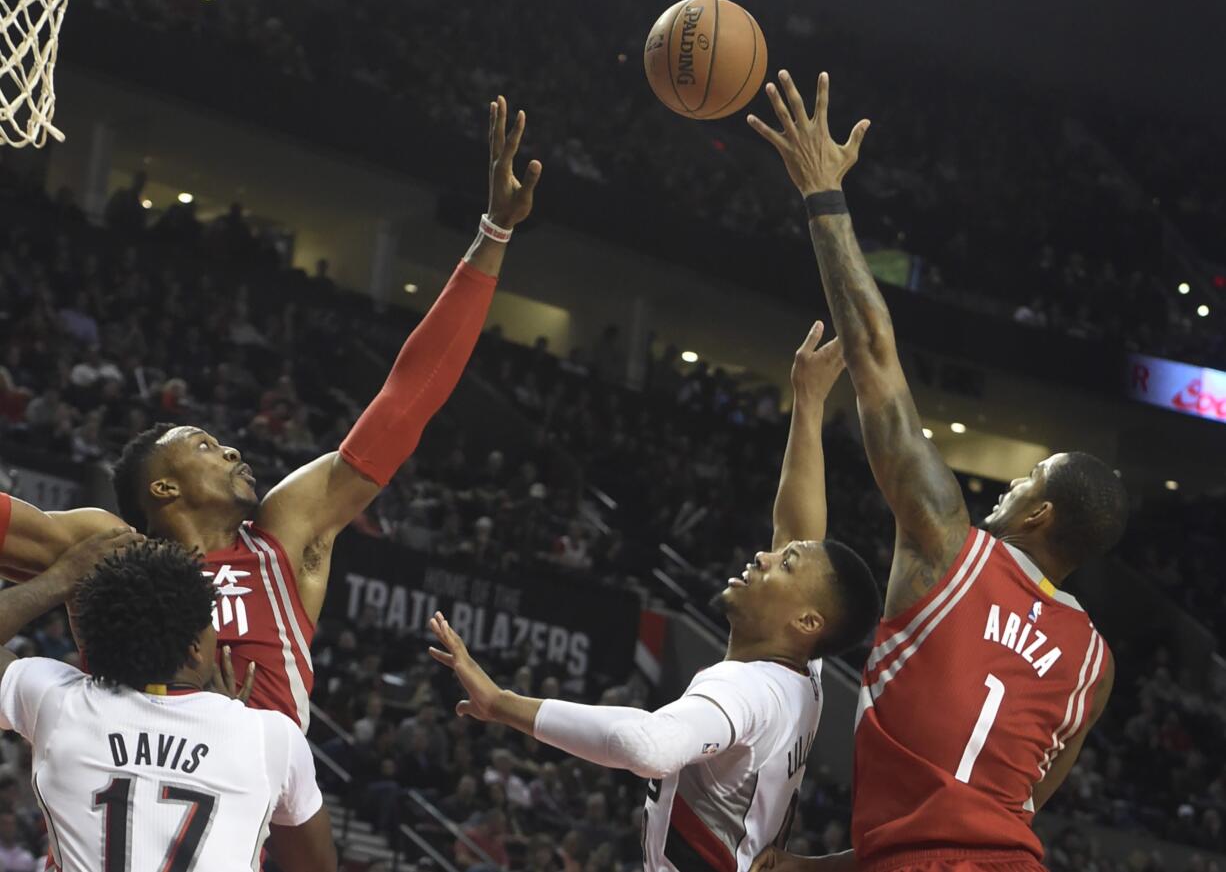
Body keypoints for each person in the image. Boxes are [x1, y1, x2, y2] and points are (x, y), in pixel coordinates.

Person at [0, 95, 542, 730]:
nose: (231, 450)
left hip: (243, 819)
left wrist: (494, 234)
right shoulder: (105, 551)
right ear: (163, 485)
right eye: (202, 445)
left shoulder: (282, 539)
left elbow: (407, 398)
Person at [746, 71, 1127, 872]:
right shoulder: (1093, 663)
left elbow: (876, 355)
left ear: (1040, 516)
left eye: (1026, 481)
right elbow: (990, 817)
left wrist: (822, 196)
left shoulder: (948, 543)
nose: (1009, 487)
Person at [429, 323, 882, 870]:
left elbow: (650, 746)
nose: (764, 556)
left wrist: (502, 703)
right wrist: (808, 404)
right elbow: (798, 534)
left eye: (783, 565)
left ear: (807, 621)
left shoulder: (744, 688)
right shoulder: (802, 676)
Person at [0, 530, 336, 871]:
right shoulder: (268, 735)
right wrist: (230, 717)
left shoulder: (58, 702)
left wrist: (59, 580)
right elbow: (316, 866)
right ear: (194, 651)